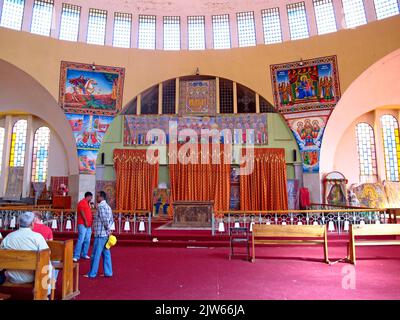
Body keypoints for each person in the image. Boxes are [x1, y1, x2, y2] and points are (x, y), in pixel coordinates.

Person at [0, 211, 56, 296]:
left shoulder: (8, 237)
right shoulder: (37, 237)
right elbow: (47, 254)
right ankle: (44, 294)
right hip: (33, 277)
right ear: (32, 224)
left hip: (11, 276)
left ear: (19, 223)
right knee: (48, 263)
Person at [85, 191, 113, 278]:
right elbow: (111, 219)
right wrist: (109, 231)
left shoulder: (101, 206)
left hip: (100, 234)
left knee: (95, 255)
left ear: (101, 197)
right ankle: (108, 272)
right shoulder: (108, 207)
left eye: (97, 196)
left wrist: (108, 229)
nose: (96, 198)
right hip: (105, 234)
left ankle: (92, 273)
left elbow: (104, 220)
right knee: (106, 254)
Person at [73, 191, 94, 262]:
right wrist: (85, 221)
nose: (91, 198)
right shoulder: (82, 202)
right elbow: (82, 212)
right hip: (82, 223)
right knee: (81, 239)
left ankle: (84, 253)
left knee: (87, 240)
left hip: (89, 224)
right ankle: (76, 255)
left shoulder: (88, 204)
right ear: (88, 196)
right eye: (91, 197)